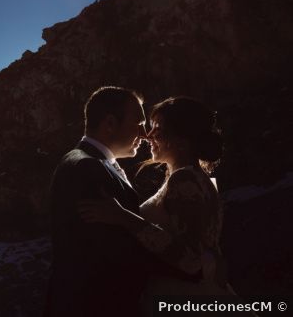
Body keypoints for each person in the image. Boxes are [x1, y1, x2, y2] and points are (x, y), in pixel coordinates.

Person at [79, 96, 236, 302]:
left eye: (158, 130)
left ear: (181, 140)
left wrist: (123, 217)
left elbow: (191, 259)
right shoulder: (194, 178)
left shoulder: (185, 180)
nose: (148, 136)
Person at [44, 86, 163, 317]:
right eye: (138, 124)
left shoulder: (88, 162)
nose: (145, 134)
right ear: (109, 123)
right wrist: (187, 264)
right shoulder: (88, 167)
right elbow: (114, 250)